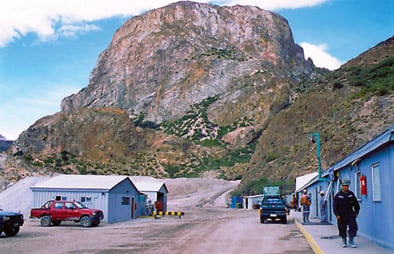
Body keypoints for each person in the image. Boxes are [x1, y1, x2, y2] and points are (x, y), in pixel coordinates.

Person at [333, 179, 360, 248]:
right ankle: (344, 240)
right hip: (341, 215)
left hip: (350, 213)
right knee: (342, 228)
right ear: (342, 186)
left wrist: (356, 212)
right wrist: (337, 214)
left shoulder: (351, 194)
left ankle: (351, 240)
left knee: (353, 227)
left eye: (347, 186)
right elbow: (335, 206)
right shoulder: (338, 195)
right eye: (344, 186)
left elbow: (356, 204)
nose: (346, 187)